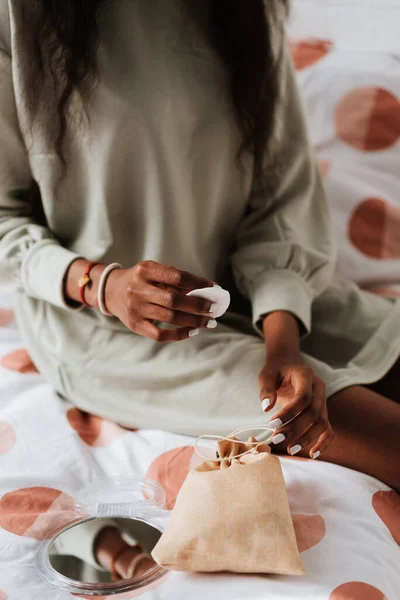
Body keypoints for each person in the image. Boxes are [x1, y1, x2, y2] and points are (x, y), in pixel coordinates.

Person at [0, 0, 399, 498]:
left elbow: (279, 202)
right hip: (100, 328)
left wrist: (283, 344)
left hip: (254, 287)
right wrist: (103, 285)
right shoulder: (16, 16)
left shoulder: (248, 13)